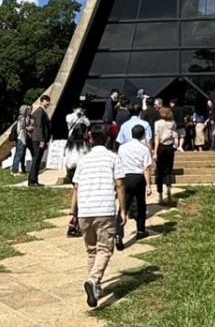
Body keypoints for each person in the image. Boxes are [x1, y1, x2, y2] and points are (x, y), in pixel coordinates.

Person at [71, 124, 127, 308]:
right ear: (108, 139)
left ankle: (96, 287)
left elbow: (76, 188)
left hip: (85, 210)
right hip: (104, 209)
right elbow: (119, 184)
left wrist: (73, 212)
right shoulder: (113, 158)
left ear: (90, 138)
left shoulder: (83, 160)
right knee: (104, 249)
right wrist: (123, 209)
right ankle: (93, 280)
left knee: (91, 250)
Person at [115, 125, 152, 250]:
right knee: (141, 203)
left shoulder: (122, 147)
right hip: (138, 177)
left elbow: (119, 162)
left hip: (125, 176)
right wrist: (149, 185)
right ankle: (140, 230)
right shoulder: (144, 148)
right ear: (142, 135)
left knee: (123, 205)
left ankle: (118, 234)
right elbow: (146, 168)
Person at [153, 107, 179, 204]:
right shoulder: (173, 123)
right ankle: (169, 190)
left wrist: (155, 152)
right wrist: (176, 145)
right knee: (168, 170)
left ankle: (160, 195)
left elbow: (157, 138)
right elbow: (175, 137)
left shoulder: (158, 123)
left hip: (160, 147)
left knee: (159, 172)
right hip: (169, 148)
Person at [27, 95, 51, 187]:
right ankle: (32, 180)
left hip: (38, 138)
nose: (48, 103)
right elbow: (39, 126)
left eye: (48, 101)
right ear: (41, 101)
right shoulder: (40, 111)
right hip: (38, 139)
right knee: (36, 159)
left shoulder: (40, 111)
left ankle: (34, 180)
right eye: (46, 101)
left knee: (37, 160)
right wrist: (42, 140)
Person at [11, 104, 30, 175]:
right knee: (19, 154)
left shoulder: (25, 117)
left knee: (21, 154)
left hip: (22, 137)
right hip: (21, 138)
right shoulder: (22, 118)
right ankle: (14, 170)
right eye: (27, 109)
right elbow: (20, 129)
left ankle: (21, 169)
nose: (29, 111)